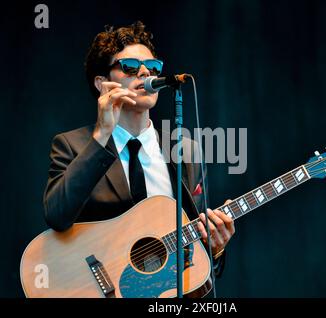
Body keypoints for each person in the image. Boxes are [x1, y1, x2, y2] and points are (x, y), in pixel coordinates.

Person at [43, 21, 235, 286]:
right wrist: (102, 135)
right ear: (102, 83)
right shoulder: (72, 145)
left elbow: (195, 261)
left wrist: (215, 249)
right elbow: (57, 215)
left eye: (153, 67)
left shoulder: (186, 152)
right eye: (131, 67)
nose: (145, 72)